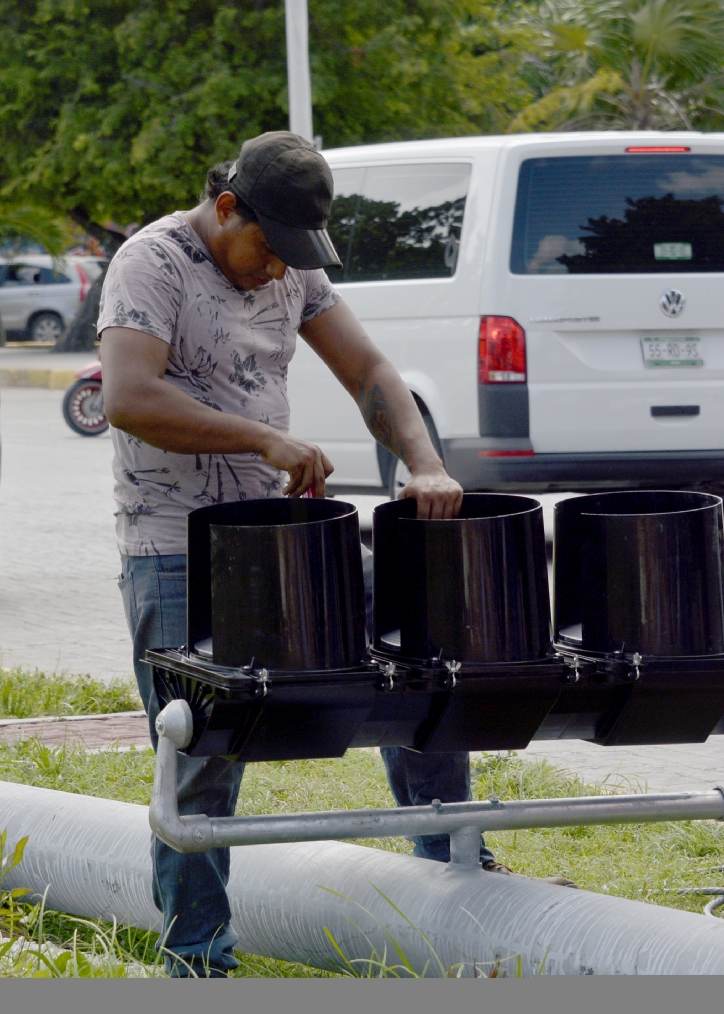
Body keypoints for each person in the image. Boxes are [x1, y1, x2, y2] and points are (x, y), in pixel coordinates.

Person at [98, 132, 569, 980]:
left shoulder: (294, 267)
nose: (277, 271)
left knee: (424, 670)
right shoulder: (152, 263)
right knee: (200, 751)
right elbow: (129, 398)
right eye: (266, 249)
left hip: (284, 539)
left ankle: (455, 875)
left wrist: (424, 462)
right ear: (228, 207)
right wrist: (264, 439)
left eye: (293, 258)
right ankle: (198, 961)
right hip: (177, 547)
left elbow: (370, 372)